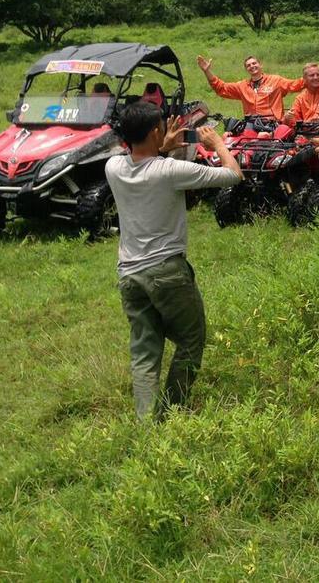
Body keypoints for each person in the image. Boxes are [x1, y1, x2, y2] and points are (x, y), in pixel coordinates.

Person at [105, 101, 242, 420]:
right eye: (163, 125)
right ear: (155, 131)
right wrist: (218, 144)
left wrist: (161, 149)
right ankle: (171, 412)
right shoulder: (171, 171)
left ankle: (145, 421)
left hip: (129, 275)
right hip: (167, 272)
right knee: (192, 338)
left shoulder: (113, 168)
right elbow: (233, 175)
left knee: (144, 349)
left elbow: (144, 165)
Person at [196, 54, 304, 120]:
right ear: (246, 69)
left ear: (260, 65)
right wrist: (207, 71)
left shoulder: (275, 80)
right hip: (251, 125)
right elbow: (221, 87)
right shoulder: (242, 86)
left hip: (273, 124)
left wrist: (310, 78)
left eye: (254, 63)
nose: (252, 66)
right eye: (248, 65)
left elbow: (294, 85)